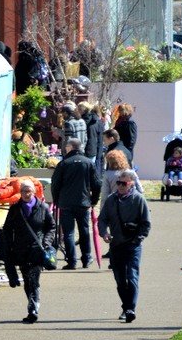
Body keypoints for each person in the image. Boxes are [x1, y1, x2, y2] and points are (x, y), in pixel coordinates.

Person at [0, 179, 55, 324]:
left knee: (33, 279)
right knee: (27, 280)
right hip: (21, 250)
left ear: (34, 192)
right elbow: (8, 230)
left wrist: (46, 242)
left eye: (28, 191)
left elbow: (51, 227)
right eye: (23, 191)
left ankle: (33, 309)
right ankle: (32, 305)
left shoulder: (43, 207)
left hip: (37, 250)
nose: (26, 194)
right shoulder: (15, 209)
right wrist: (8, 247)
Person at [97, 169, 151, 323]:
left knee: (131, 276)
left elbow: (146, 223)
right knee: (120, 279)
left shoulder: (139, 199)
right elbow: (102, 219)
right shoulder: (111, 200)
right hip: (116, 245)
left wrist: (138, 239)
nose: (120, 186)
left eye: (124, 183)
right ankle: (126, 306)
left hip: (133, 246)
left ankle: (130, 309)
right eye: (118, 183)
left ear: (131, 184)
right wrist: (104, 234)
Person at [50, 137, 101, 270]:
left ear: (71, 147)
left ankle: (72, 261)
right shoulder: (88, 162)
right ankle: (86, 258)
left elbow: (55, 184)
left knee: (68, 233)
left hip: (66, 203)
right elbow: (97, 184)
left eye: (66, 146)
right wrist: (94, 200)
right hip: (83, 202)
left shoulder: (64, 163)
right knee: (84, 230)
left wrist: (56, 200)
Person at [78, 101, 104, 171]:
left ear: (84, 110)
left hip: (82, 150)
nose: (77, 111)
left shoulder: (81, 121)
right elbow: (100, 140)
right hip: (92, 150)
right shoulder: (97, 121)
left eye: (79, 109)